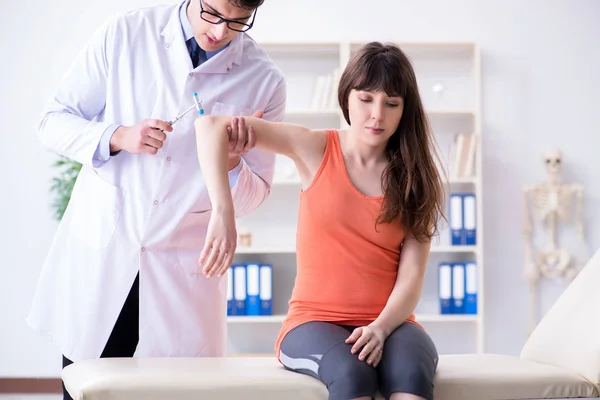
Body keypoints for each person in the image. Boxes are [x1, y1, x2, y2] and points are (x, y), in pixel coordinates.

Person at [26, 0, 286, 398]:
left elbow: (256, 194)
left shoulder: (264, 80)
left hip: (183, 276)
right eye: (212, 14)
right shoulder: (126, 34)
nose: (219, 33)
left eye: (237, 22)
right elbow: (52, 122)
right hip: (107, 258)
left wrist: (232, 165)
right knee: (86, 389)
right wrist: (117, 136)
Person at [194, 42, 446, 400]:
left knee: (412, 373)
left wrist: (380, 328)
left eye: (391, 104)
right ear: (347, 98)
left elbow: (411, 279)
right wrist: (223, 211)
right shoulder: (314, 148)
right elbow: (209, 128)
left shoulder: (416, 177)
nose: (377, 114)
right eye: (366, 99)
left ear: (405, 110)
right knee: (352, 373)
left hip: (391, 322)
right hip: (311, 323)